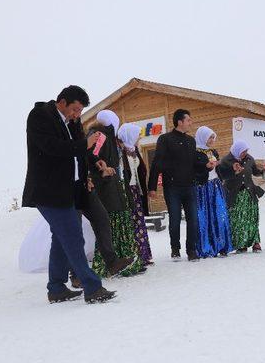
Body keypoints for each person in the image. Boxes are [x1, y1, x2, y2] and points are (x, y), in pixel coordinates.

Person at [22, 85, 115, 303]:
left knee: (61, 237)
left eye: (80, 111)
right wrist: (84, 144)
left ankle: (56, 288)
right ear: (61, 102)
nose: (77, 114)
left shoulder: (72, 123)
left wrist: (95, 160)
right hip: (48, 190)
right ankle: (92, 288)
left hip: (70, 189)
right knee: (73, 235)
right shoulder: (39, 116)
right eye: (74, 109)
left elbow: (79, 151)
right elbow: (52, 147)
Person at [87, 113, 144, 277]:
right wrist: (102, 170)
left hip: (116, 186)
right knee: (111, 225)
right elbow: (92, 157)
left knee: (121, 224)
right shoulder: (100, 137)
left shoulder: (108, 138)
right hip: (107, 187)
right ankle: (107, 265)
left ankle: (127, 262)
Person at [148, 109, 203, 261]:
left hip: (190, 186)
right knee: (175, 219)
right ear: (180, 121)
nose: (191, 123)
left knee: (193, 219)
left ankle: (191, 250)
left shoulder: (191, 141)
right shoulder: (165, 139)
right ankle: (175, 249)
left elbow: (195, 163)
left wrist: (207, 166)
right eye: (189, 120)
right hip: (172, 187)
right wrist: (152, 186)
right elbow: (157, 162)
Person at [218, 140, 265, 253]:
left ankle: (255, 243)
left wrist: (264, 170)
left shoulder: (249, 159)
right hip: (235, 195)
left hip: (249, 194)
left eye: (246, 151)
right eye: (243, 151)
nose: (245, 153)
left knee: (252, 219)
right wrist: (233, 171)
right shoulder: (226, 161)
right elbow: (222, 176)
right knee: (237, 220)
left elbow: (255, 172)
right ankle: (241, 244)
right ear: (237, 150)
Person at [193, 126, 233, 257]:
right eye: (209, 137)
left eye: (212, 137)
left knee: (220, 215)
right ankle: (206, 247)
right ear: (202, 137)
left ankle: (221, 246)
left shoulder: (214, 152)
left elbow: (219, 170)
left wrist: (232, 170)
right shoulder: (195, 153)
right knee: (204, 217)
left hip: (215, 186)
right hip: (202, 188)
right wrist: (206, 167)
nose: (211, 140)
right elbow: (195, 172)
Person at [117, 123, 154, 264]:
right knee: (131, 223)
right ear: (129, 135)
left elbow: (140, 170)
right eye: (137, 134)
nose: (139, 137)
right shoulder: (120, 151)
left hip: (135, 190)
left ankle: (143, 255)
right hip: (126, 191)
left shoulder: (134, 150)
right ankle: (132, 258)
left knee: (139, 223)